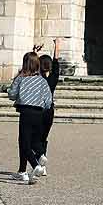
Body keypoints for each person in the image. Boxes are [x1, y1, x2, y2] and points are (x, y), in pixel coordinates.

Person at [6, 51, 53, 184]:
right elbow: (48, 100)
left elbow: (12, 94)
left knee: (24, 142)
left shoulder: (21, 78)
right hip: (39, 114)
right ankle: (39, 155)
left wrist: (15, 88)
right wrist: (42, 106)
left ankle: (36, 165)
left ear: (25, 64)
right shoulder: (42, 80)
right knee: (34, 140)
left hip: (26, 112)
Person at [36, 39, 60, 168]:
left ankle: (40, 157)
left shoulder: (38, 77)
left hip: (38, 109)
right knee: (44, 137)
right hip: (50, 110)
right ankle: (42, 165)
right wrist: (57, 45)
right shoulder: (53, 79)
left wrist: (35, 51)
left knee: (35, 137)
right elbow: (56, 61)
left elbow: (31, 64)